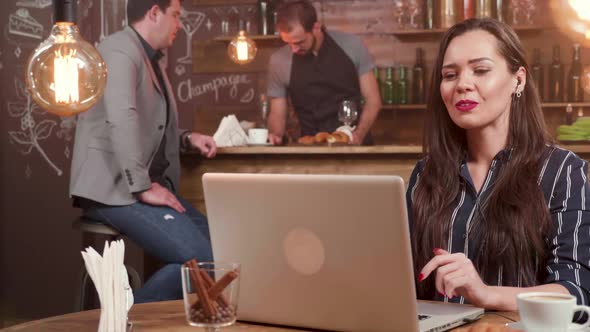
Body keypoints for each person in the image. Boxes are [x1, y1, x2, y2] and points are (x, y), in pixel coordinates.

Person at [406, 17, 590, 315]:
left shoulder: (562, 170)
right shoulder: (426, 172)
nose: (463, 84)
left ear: (518, 79)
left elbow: (576, 292)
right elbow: (401, 276)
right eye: (449, 74)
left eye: (481, 70)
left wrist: (484, 293)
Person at [69, 0, 217, 303]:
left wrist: (188, 138)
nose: (179, 24)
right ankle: (118, 322)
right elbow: (121, 119)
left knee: (218, 251)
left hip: (135, 186)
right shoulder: (119, 49)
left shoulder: (150, 58)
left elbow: (146, 127)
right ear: (154, 12)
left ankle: (122, 315)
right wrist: (143, 186)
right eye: (175, 15)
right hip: (113, 189)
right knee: (202, 263)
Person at [266, 0, 381, 145]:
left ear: (316, 28)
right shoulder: (279, 61)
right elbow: (277, 113)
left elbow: (373, 100)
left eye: (299, 42)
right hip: (310, 148)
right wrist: (275, 135)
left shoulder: (352, 46)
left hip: (354, 144)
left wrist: (359, 134)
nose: (294, 49)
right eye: (288, 43)